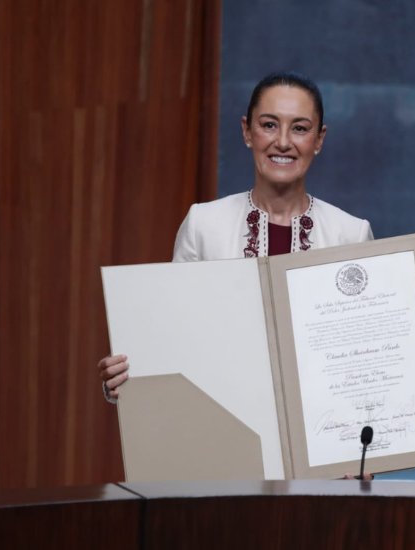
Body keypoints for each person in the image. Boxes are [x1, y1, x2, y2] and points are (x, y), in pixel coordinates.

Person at [98, 71, 373, 401]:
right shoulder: (204, 225)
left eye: (299, 128)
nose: (283, 141)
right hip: (224, 426)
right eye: (269, 124)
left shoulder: (352, 234)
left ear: (319, 139)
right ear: (247, 131)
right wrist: (127, 380)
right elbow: (172, 336)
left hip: (322, 429)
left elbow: (366, 358)